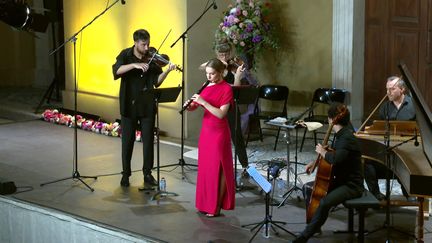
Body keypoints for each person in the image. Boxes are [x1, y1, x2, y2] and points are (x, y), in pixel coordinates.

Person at [112, 29, 176, 187]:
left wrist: (167, 70)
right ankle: (125, 174)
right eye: (143, 44)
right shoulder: (125, 55)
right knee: (128, 140)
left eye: (148, 43)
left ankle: (147, 173)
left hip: (147, 104)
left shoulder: (152, 57)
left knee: (148, 141)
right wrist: (134, 65)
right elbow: (116, 70)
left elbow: (157, 82)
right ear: (135, 42)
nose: (147, 48)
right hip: (129, 103)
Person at [293, 103, 364, 243]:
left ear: (331, 120)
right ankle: (314, 226)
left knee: (325, 202)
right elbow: (335, 154)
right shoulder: (342, 133)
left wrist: (322, 151)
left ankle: (304, 236)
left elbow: (336, 159)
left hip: (351, 185)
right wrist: (316, 162)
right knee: (309, 188)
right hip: (339, 179)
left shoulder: (346, 138)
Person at [185, 58, 235, 217]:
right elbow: (194, 107)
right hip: (206, 132)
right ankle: (204, 204)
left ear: (221, 72)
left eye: (212, 74)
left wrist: (203, 102)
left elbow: (221, 114)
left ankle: (216, 206)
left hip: (219, 133)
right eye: (207, 74)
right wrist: (190, 105)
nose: (209, 77)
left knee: (218, 168)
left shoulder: (227, 88)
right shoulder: (206, 85)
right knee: (206, 168)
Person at [200, 40, 257, 175]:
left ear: (230, 53)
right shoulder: (214, 65)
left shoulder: (234, 65)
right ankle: (216, 165)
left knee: (236, 136)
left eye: (226, 54)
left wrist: (237, 75)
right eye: (221, 54)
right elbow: (202, 67)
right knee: (217, 138)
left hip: (229, 104)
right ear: (217, 54)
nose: (224, 57)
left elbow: (236, 87)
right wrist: (220, 66)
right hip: (215, 105)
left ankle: (244, 165)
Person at [364, 76, 416, 200]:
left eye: (392, 89)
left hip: (407, 151)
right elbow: (380, 130)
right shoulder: (384, 107)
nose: (388, 92)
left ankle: (408, 192)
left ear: (402, 89)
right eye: (387, 89)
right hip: (388, 150)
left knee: (405, 163)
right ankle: (376, 195)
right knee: (367, 163)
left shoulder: (414, 106)